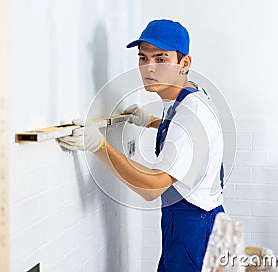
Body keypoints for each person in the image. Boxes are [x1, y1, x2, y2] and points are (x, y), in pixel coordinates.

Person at [57, 19, 225, 272]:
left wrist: (99, 146)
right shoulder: (191, 96)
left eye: (161, 59)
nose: (149, 68)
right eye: (143, 58)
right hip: (197, 223)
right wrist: (149, 122)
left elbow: (152, 188)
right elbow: (183, 133)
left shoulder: (191, 115)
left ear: (185, 63)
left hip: (194, 230)